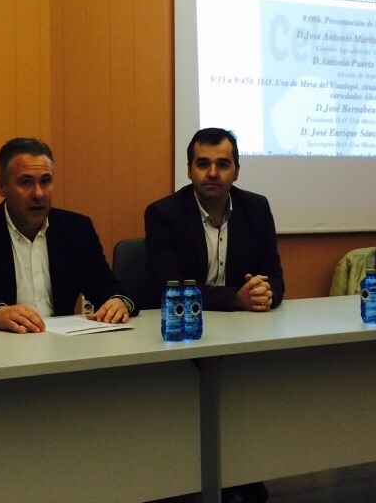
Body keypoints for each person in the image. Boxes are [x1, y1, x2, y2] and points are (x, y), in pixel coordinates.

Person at [144, 127, 284, 503]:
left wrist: (264, 291)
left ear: (236, 171)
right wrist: (235, 298)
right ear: (189, 170)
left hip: (241, 335)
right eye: (202, 163)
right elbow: (166, 287)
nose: (212, 173)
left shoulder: (257, 208)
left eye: (223, 164)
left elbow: (276, 278)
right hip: (185, 334)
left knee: (263, 382)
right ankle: (200, 473)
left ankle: (240, 468)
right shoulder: (164, 214)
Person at [0, 137, 138, 332]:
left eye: (45, 181)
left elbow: (105, 285)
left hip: (62, 346)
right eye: (26, 182)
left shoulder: (76, 229)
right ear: (1, 186)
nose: (38, 193)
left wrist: (118, 301)